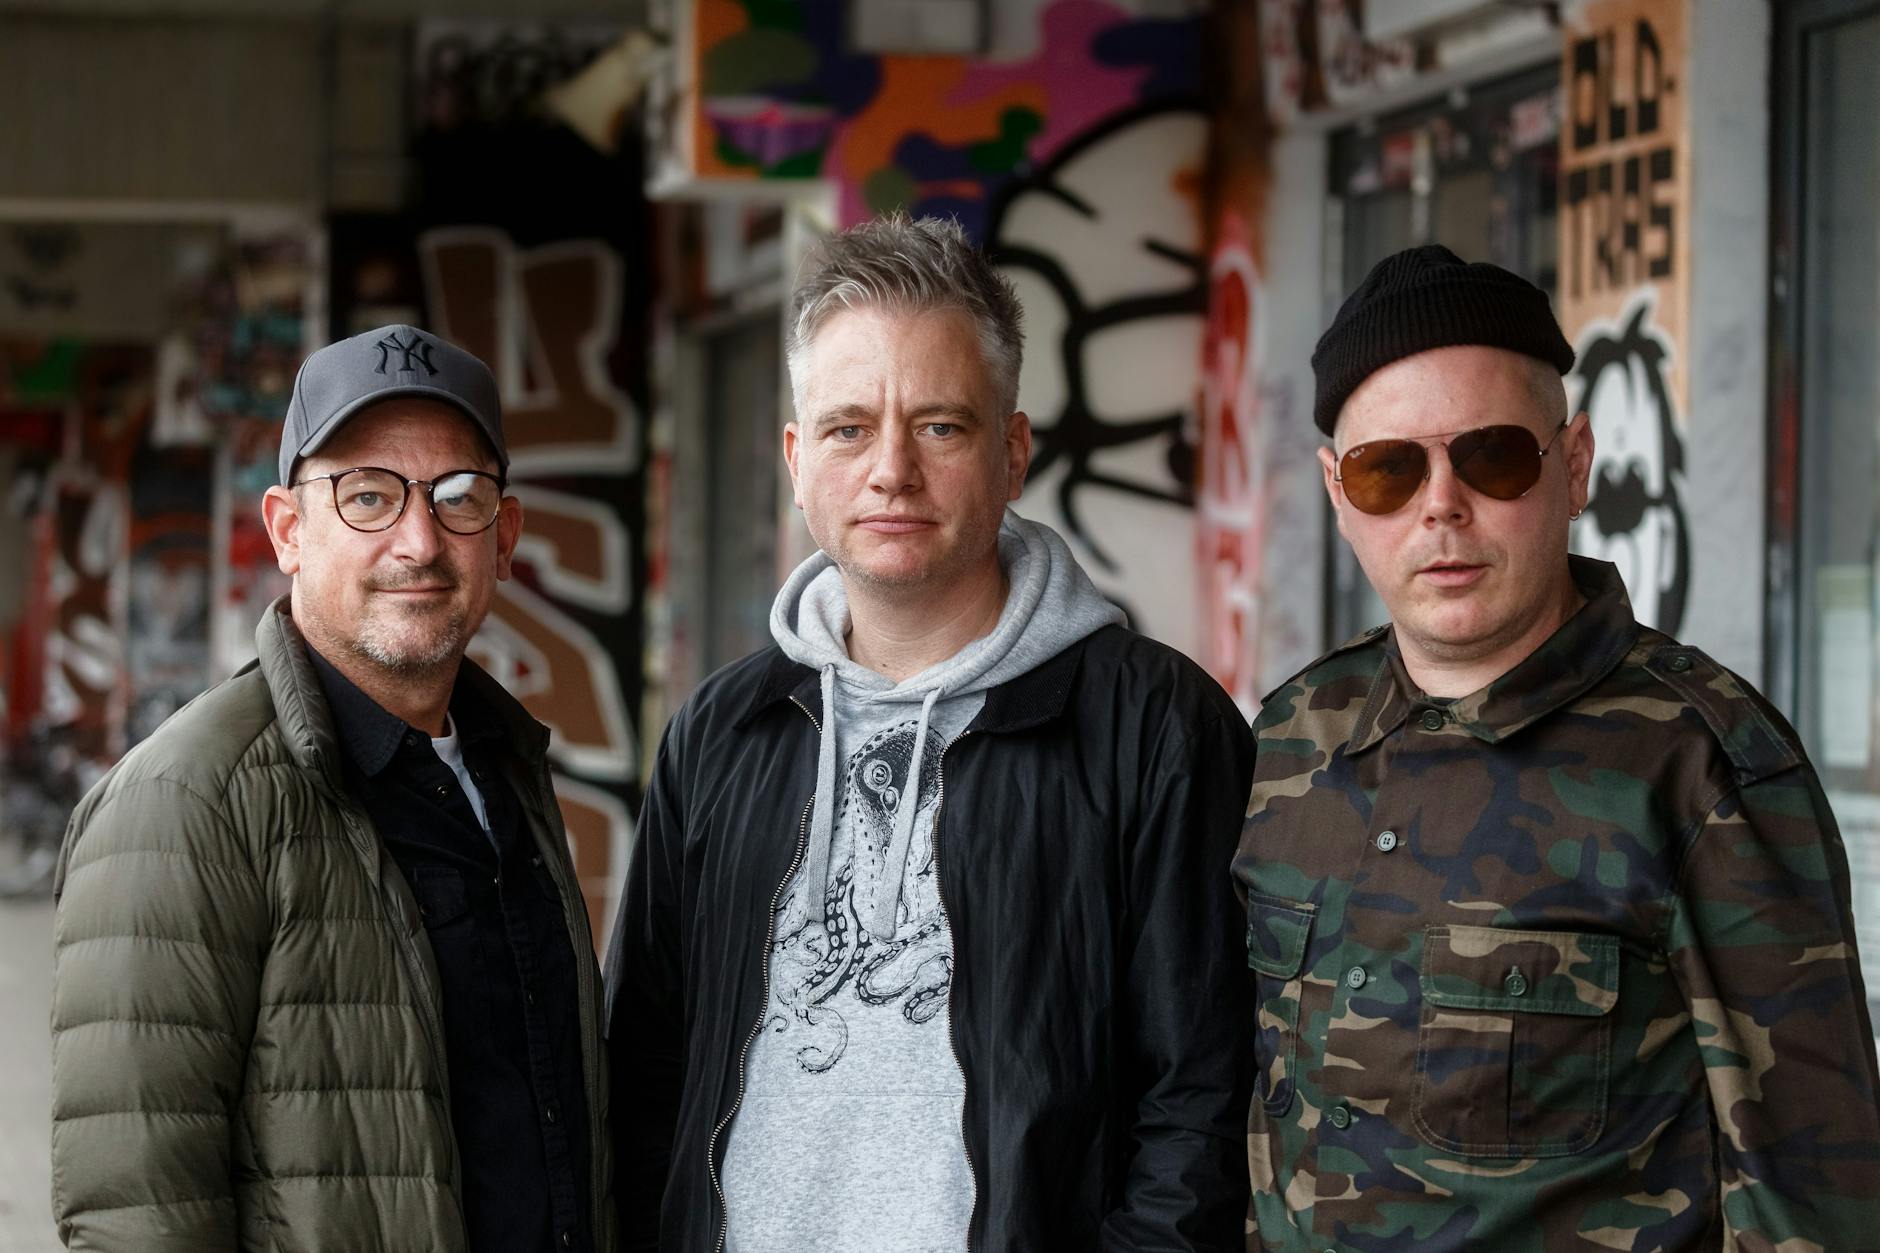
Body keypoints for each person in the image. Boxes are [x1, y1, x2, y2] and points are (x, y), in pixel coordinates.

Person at [605, 214, 1255, 1252]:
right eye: (847, 428)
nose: (891, 470)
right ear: (796, 459)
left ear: (1012, 451)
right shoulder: (723, 732)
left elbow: (1201, 1101)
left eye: (940, 426)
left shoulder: (1154, 727)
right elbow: (644, 1076)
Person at [1237, 245, 1880, 1250]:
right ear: (1337, 492)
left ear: (1573, 463)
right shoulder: (1289, 736)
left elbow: (1812, 1189)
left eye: (1491, 456)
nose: (1440, 504)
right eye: (1387, 469)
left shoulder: (1702, 764)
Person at [51, 325, 614, 1252]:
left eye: (458, 497)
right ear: (288, 530)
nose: (419, 541)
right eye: (368, 497)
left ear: (504, 535)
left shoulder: (504, 767)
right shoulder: (182, 805)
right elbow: (136, 1218)